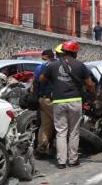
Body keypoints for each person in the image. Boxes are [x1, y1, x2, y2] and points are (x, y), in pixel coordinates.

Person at [40, 40, 95, 169]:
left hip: (58, 101)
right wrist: (92, 96)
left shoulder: (53, 65)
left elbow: (41, 79)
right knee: (74, 131)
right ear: (75, 53)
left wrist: (53, 82)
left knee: (61, 132)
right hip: (75, 100)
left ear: (63, 51)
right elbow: (90, 84)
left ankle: (61, 161)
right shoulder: (80, 65)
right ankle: (73, 160)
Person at [31, 49, 56, 158]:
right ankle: (56, 149)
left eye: (43, 58)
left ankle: (41, 150)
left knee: (45, 125)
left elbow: (35, 82)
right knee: (61, 125)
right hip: (53, 100)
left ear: (46, 56)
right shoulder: (58, 66)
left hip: (43, 99)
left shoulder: (40, 68)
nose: (42, 60)